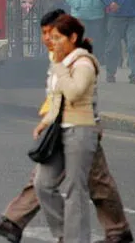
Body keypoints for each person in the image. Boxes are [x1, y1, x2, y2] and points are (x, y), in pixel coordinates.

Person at [0, 10, 133, 243]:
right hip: (62, 127)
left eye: (50, 33)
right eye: (44, 33)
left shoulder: (79, 59)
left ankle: (111, 232)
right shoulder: (59, 55)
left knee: (93, 183)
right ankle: (110, 231)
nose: (46, 39)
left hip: (81, 128)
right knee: (49, 180)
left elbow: (78, 94)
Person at [32, 15, 104, 243]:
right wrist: (46, 122)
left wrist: (60, 68)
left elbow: (73, 93)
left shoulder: (83, 63)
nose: (52, 42)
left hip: (81, 130)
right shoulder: (59, 62)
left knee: (76, 190)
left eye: (57, 38)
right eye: (50, 37)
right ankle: (64, 233)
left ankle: (77, 239)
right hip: (59, 130)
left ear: (73, 38)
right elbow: (56, 99)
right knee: (42, 184)